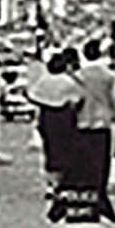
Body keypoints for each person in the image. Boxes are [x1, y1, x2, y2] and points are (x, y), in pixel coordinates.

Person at [27, 49, 85, 217]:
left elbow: (33, 96)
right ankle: (62, 183)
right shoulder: (68, 82)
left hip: (47, 117)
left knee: (49, 152)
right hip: (64, 117)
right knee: (66, 151)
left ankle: (51, 184)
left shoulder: (44, 81)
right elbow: (78, 98)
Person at [74, 36, 115, 221]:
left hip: (82, 122)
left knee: (84, 163)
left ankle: (87, 198)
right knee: (102, 163)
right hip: (102, 122)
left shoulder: (78, 76)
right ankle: (101, 195)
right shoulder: (109, 76)